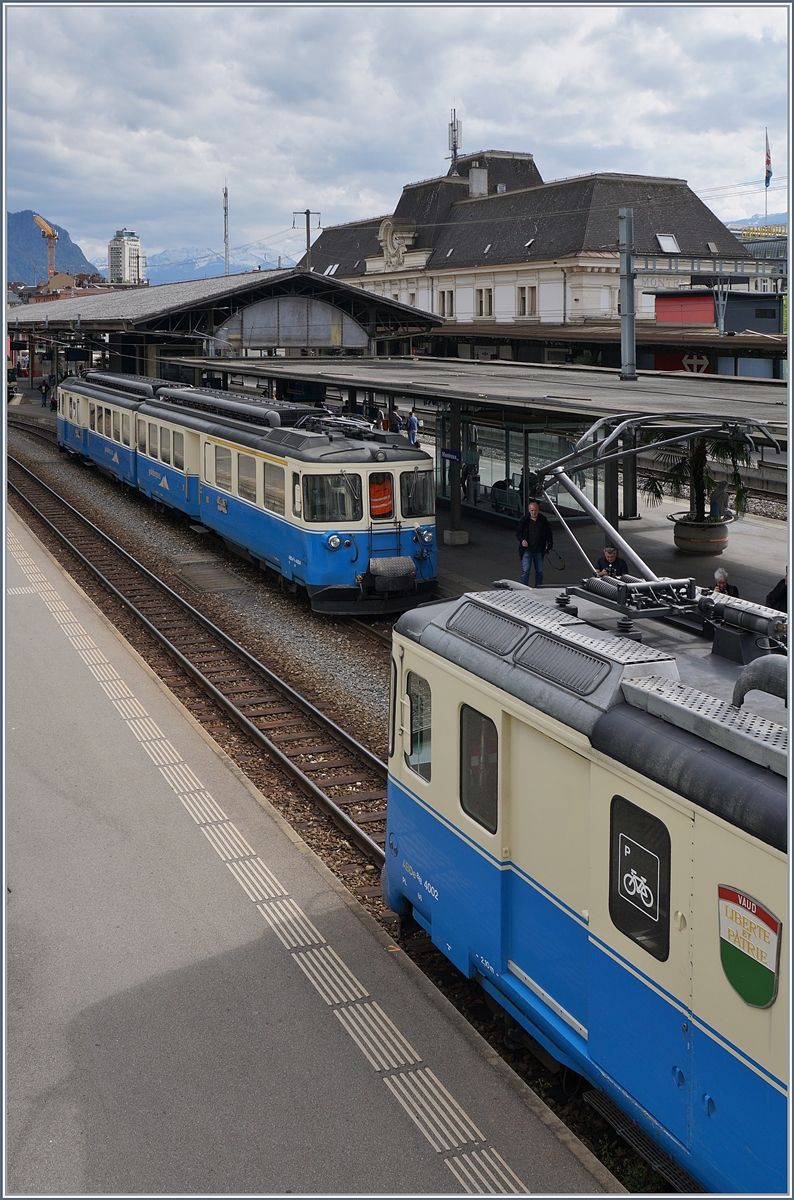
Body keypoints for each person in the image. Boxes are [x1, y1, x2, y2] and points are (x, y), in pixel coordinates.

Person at [516, 499, 553, 587]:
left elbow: (549, 533)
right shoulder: (525, 520)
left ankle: (538, 587)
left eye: (535, 510)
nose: (534, 512)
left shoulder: (542, 520)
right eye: (532, 510)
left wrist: (550, 544)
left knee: (539, 571)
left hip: (539, 550)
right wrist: (522, 540)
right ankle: (524, 588)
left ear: (538, 510)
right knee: (525, 570)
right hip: (527, 550)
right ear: (529, 510)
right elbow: (518, 533)